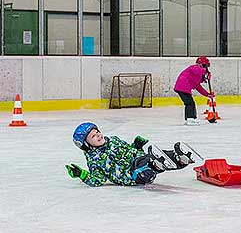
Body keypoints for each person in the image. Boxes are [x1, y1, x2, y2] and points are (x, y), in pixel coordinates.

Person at [65, 122, 196, 187]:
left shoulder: (113, 140)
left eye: (97, 131)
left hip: (138, 159)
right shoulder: (95, 160)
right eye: (93, 136)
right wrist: (81, 174)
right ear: (86, 145)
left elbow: (128, 150)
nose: (98, 135)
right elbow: (99, 180)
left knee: (154, 157)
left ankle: (179, 159)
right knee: (144, 164)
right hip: (131, 175)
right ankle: (156, 164)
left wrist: (136, 146)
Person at [174, 56, 214, 125]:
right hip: (182, 87)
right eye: (205, 66)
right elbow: (197, 70)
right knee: (189, 103)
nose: (206, 68)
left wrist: (207, 94)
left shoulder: (197, 76)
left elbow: (198, 87)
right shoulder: (193, 68)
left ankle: (192, 118)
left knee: (191, 103)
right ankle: (190, 119)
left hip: (184, 88)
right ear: (200, 64)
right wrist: (206, 72)